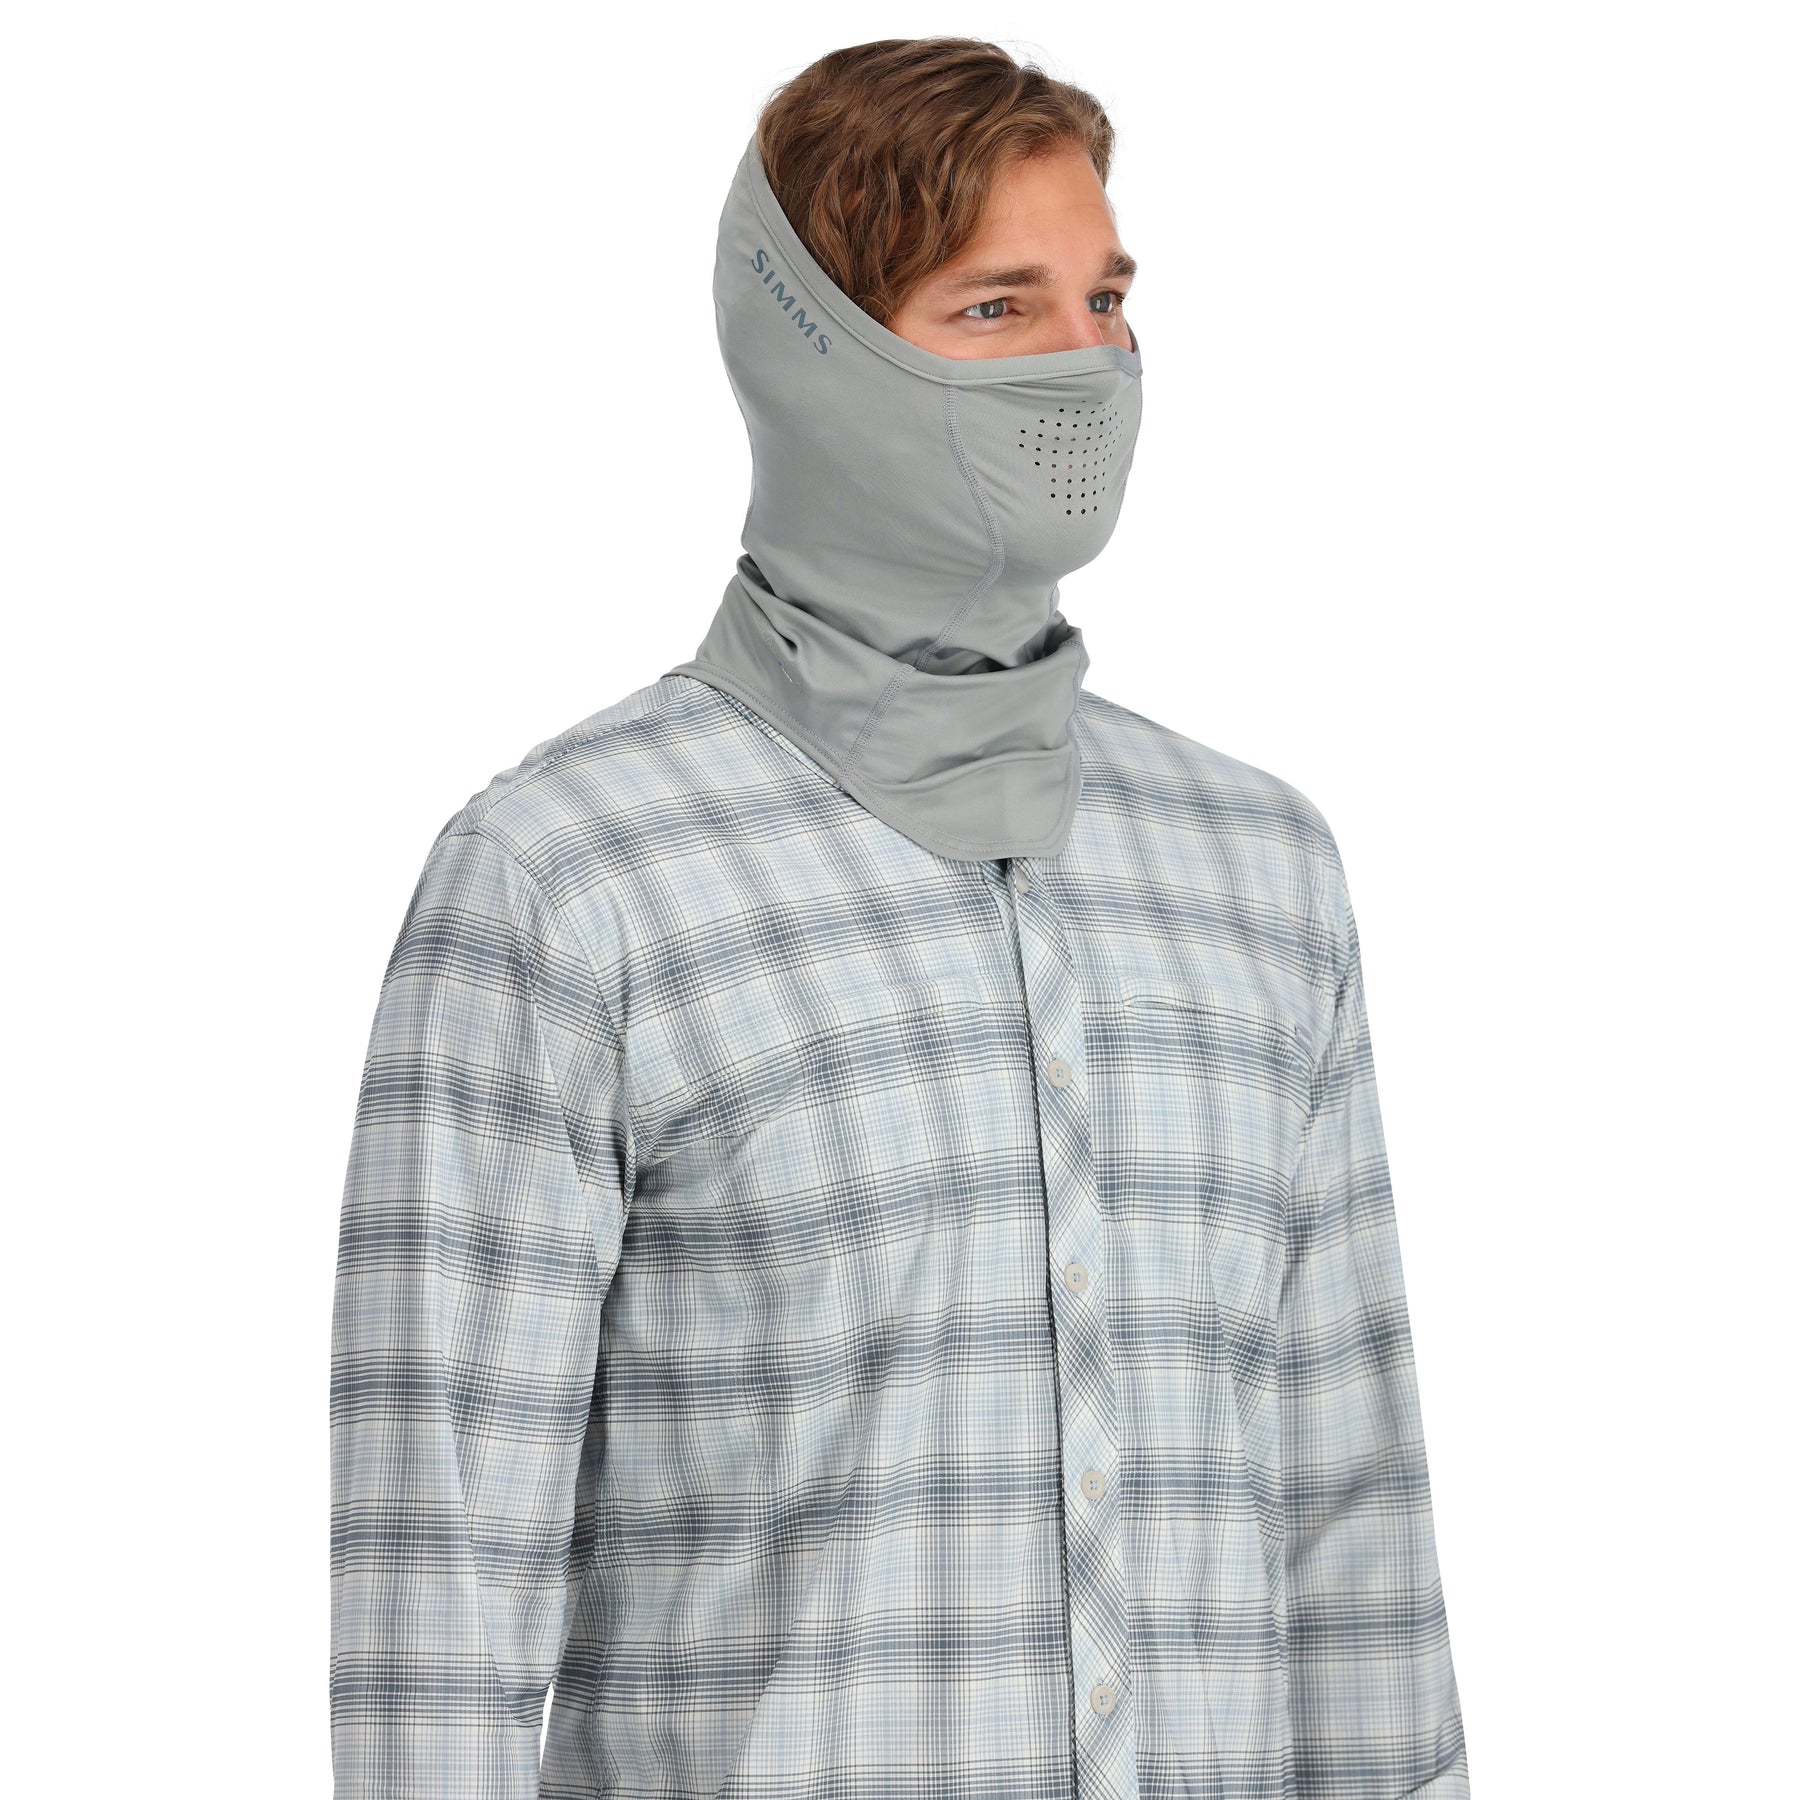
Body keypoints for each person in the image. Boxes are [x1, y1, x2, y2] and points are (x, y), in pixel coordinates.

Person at [329, 36, 1471, 1800]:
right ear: (816, 351)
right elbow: (441, 1596)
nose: (1088, 364)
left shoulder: (1258, 870)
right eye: (1000, 308)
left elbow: (1353, 1529)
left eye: (1108, 301)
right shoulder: (573, 879)